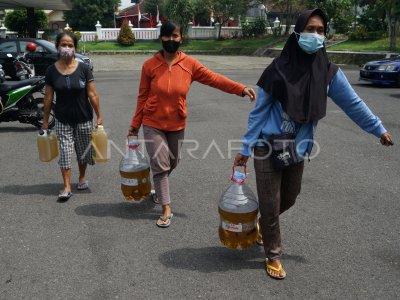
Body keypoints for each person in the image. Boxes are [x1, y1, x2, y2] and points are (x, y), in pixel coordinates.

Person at [234, 8, 393, 280]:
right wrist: (245, 149)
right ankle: (273, 255)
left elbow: (353, 104)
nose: (316, 35)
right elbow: (258, 112)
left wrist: (377, 128)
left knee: (290, 197)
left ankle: (262, 224)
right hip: (267, 146)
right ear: (297, 32)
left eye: (321, 30)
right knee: (271, 203)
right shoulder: (277, 69)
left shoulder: (329, 74)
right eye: (310, 29)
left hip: (297, 148)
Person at [128, 20, 256, 228]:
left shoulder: (190, 64)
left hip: (177, 123)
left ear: (181, 38)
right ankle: (166, 207)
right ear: (161, 38)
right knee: (160, 166)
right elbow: (142, 96)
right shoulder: (149, 66)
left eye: (175, 36)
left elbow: (214, 79)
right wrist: (135, 124)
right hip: (152, 122)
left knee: (173, 162)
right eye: (167, 36)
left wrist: (240, 88)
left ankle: (159, 187)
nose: (171, 40)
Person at [42, 31, 103, 201]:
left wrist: (99, 116)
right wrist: (45, 121)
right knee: (65, 152)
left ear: (74, 47)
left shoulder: (83, 68)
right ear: (57, 47)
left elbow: (93, 94)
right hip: (63, 120)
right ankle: (67, 186)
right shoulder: (51, 71)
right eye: (63, 44)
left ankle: (82, 177)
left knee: (83, 152)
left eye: (70, 45)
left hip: (84, 118)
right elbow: (48, 98)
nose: (67, 48)